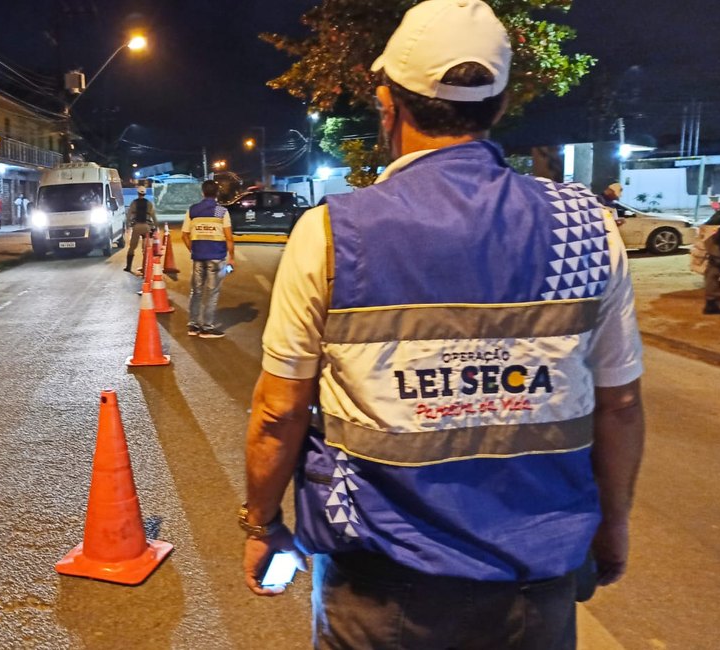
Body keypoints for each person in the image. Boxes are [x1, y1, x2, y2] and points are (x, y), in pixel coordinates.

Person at [240, 2, 646, 648]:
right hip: (534, 590)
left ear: (387, 104)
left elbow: (276, 414)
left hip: (380, 595)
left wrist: (261, 523)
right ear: (503, 103)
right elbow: (619, 405)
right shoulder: (586, 227)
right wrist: (614, 523)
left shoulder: (331, 233)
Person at [181, 180, 235, 338]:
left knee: (196, 291)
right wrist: (231, 257)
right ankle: (207, 327)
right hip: (216, 257)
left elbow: (184, 235)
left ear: (202, 192)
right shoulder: (221, 211)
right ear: (217, 193)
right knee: (212, 292)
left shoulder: (193, 210)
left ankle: (193, 325)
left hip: (198, 257)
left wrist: (194, 248)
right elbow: (229, 237)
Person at [125, 187, 157, 273]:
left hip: (137, 227)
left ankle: (128, 267)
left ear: (138, 193)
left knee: (132, 247)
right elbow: (153, 216)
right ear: (145, 194)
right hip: (146, 227)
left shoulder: (134, 203)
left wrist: (127, 226)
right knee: (146, 248)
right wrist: (155, 228)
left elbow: (128, 216)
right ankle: (146, 267)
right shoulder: (149, 203)